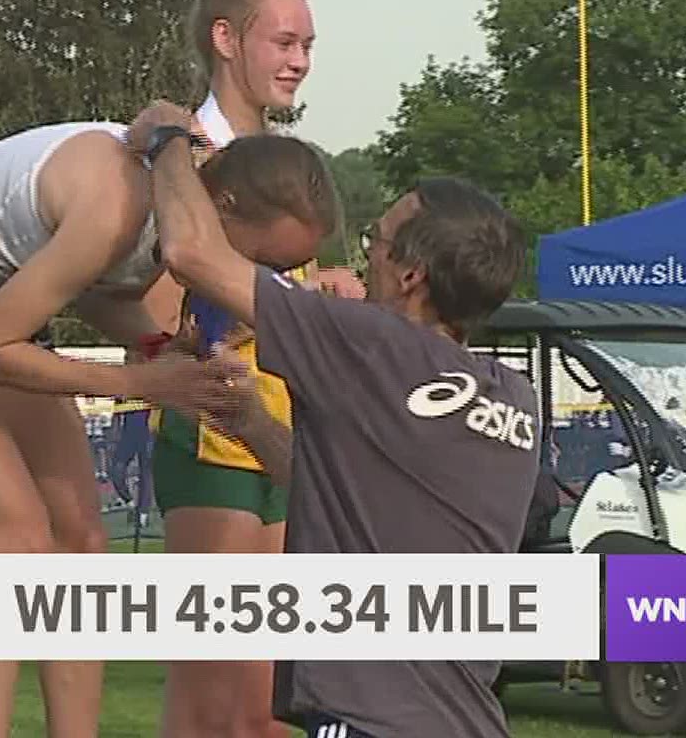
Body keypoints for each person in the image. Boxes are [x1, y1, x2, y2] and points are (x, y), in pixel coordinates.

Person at [0, 123, 321, 738]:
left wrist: (157, 347)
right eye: (264, 262)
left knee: (82, 545)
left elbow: (95, 296)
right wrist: (146, 382)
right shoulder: (119, 207)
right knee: (14, 543)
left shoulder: (173, 205)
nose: (265, 285)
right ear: (223, 207)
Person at [132, 100, 537, 738]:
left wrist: (167, 140)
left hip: (374, 723)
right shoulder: (512, 399)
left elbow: (190, 250)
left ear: (411, 274)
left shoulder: (371, 346)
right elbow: (349, 496)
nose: (366, 254)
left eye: (376, 240)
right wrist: (249, 420)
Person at [144, 0, 360, 738]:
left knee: (257, 705)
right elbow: (143, 292)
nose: (300, 59)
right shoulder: (181, 156)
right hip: (214, 438)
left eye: (308, 44)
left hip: (285, 437)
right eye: (284, 40)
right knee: (222, 708)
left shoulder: (282, 165)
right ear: (225, 39)